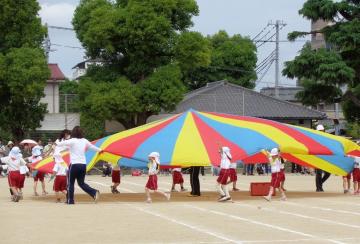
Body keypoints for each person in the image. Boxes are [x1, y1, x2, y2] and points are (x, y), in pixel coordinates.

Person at [55, 126, 102, 204]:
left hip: (74, 165)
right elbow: (92, 147)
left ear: (73, 133)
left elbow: (59, 144)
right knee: (81, 183)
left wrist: (57, 141)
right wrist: (100, 150)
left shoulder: (72, 140)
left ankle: (70, 200)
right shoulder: (84, 141)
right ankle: (94, 192)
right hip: (83, 165)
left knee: (70, 183)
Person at [315, 124, 331, 192]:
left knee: (328, 173)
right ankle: (319, 188)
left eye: (322, 130)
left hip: (325, 158)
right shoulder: (314, 138)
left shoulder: (326, 138)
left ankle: (320, 184)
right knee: (319, 173)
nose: (321, 131)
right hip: (318, 158)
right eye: (320, 130)